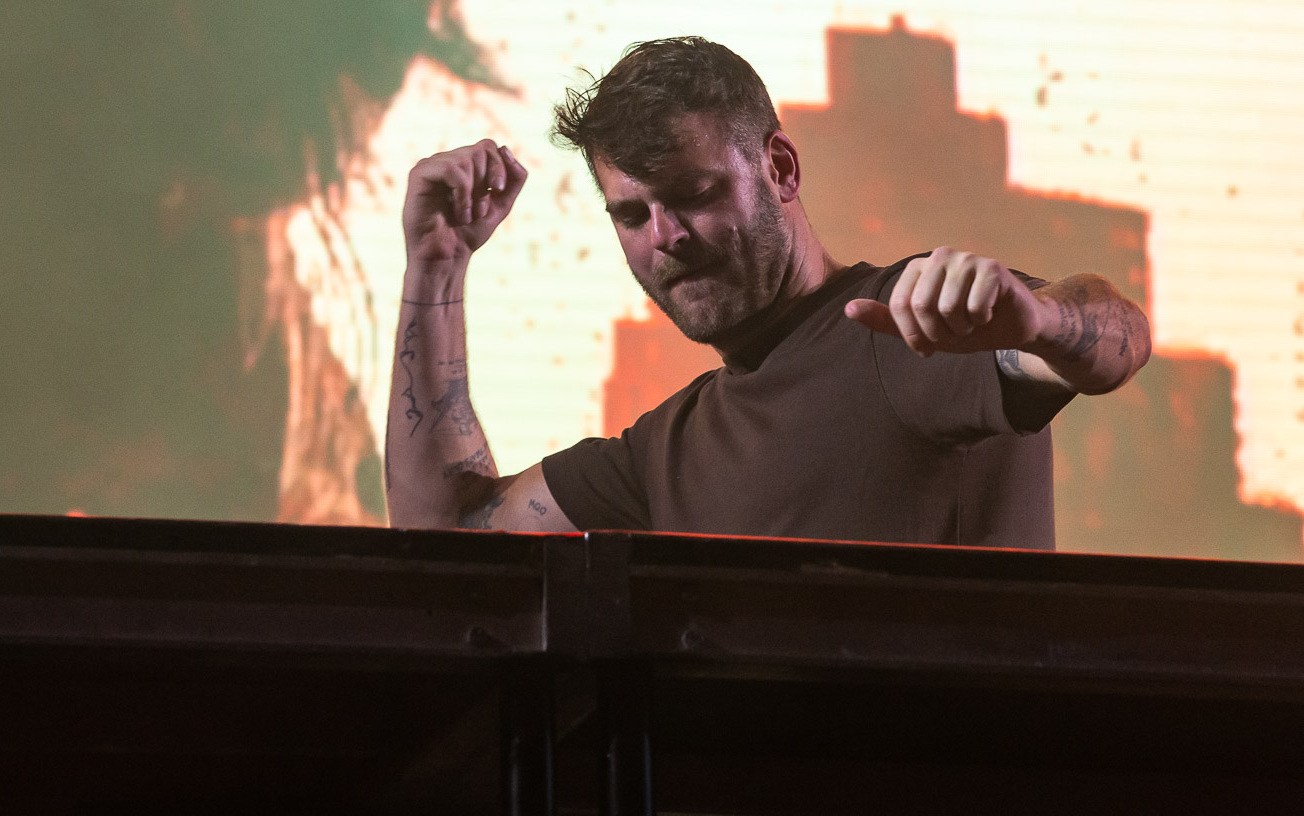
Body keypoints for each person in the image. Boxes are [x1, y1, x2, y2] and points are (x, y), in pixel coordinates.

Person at [384, 37, 1151, 548]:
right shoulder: (664, 451)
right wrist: (437, 266)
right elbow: (446, 536)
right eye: (631, 213)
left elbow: (1120, 338)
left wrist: (1040, 317)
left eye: (693, 193)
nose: (665, 236)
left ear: (780, 168)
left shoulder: (906, 331)